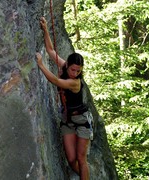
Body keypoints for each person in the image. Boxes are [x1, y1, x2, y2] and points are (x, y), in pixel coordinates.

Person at [36, 17, 93, 180]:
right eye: (73, 69)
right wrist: (46, 29)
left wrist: (41, 65)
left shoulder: (75, 83)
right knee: (70, 159)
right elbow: (51, 51)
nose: (75, 73)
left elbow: (55, 81)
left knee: (81, 159)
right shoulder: (64, 66)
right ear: (67, 64)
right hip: (67, 120)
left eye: (78, 71)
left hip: (82, 121)